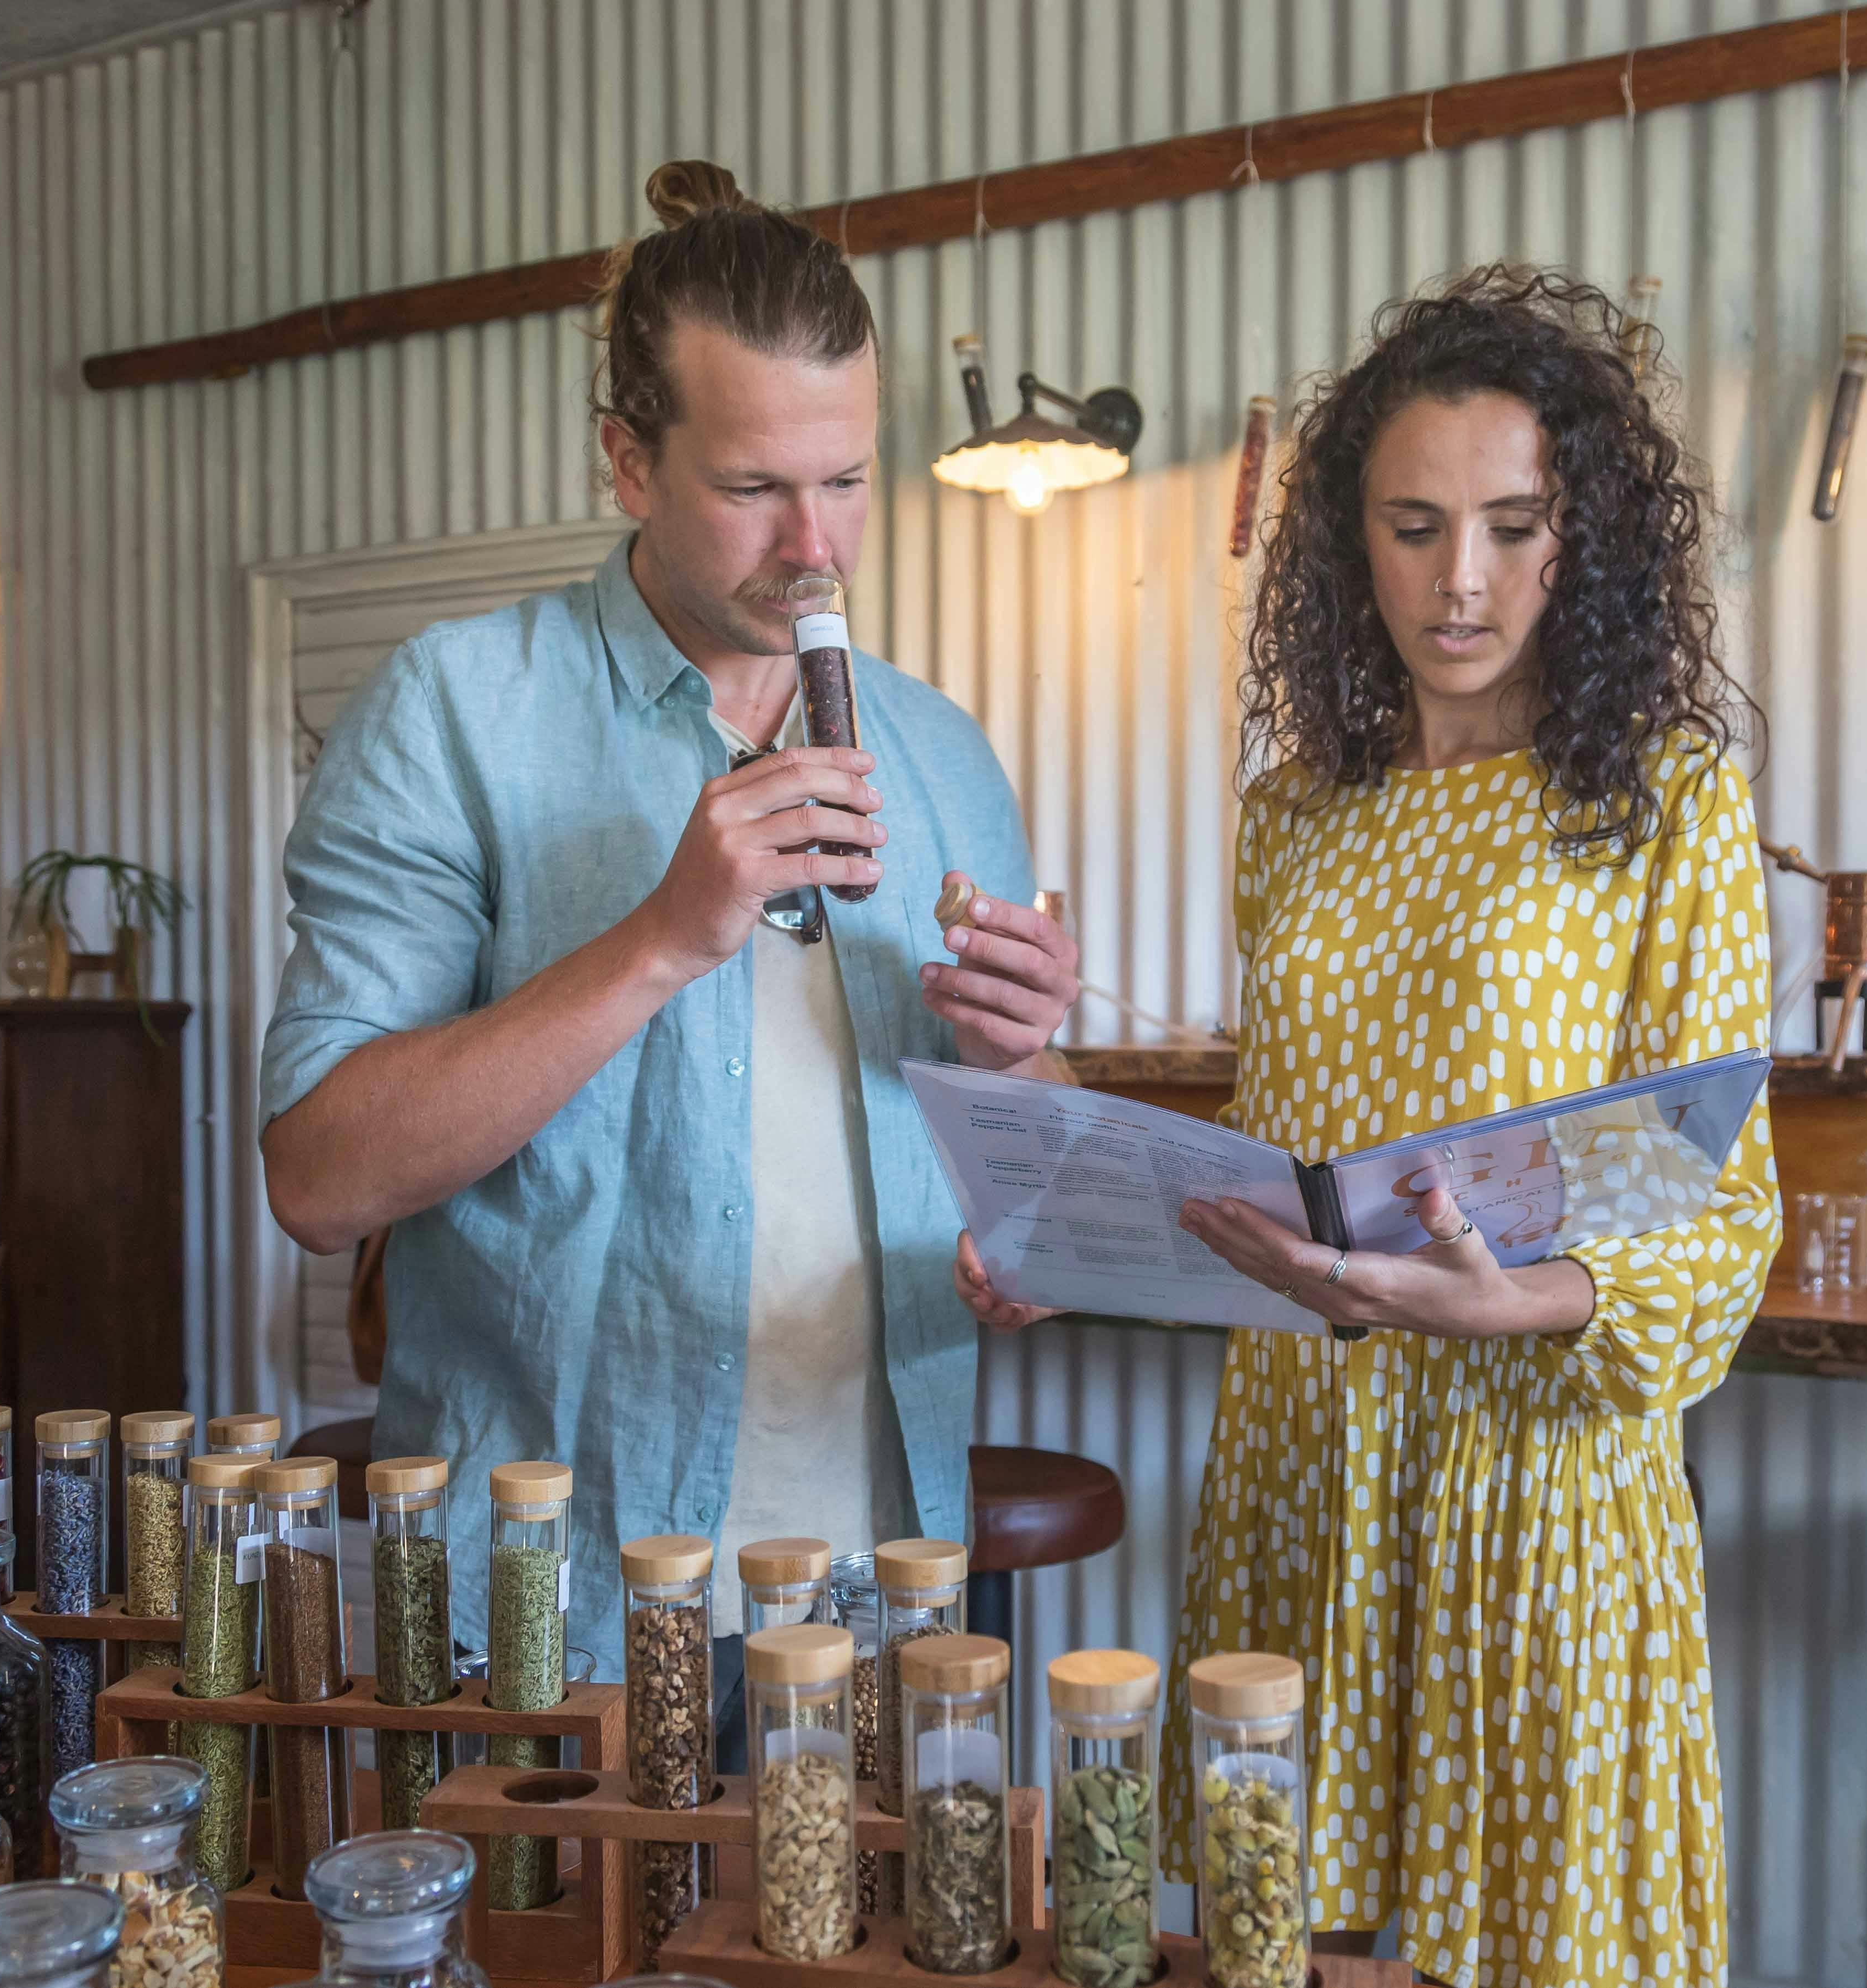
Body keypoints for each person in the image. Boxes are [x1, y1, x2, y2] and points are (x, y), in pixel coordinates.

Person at [958, 268, 1779, 1987]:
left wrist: (1512, 1301)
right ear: (1350, 542)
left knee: (1531, 1944)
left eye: (1508, 524)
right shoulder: (1296, 817)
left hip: (1529, 1463)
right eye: (1413, 526)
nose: (1458, 580)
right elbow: (1281, 1143)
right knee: (1285, 1938)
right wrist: (1101, 1228)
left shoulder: (1664, 800)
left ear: (1586, 540)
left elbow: (1718, 1209)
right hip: (1305, 1446)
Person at [262, 160, 1080, 1682]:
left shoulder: (943, 749)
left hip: (881, 1585)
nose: (816, 546)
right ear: (627, 463)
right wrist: (658, 940)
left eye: (844, 481)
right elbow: (316, 1173)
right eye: (755, 489)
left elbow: (1024, 1155)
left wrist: (1033, 1116)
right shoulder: (456, 710)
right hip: (549, 1593)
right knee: (568, 1940)